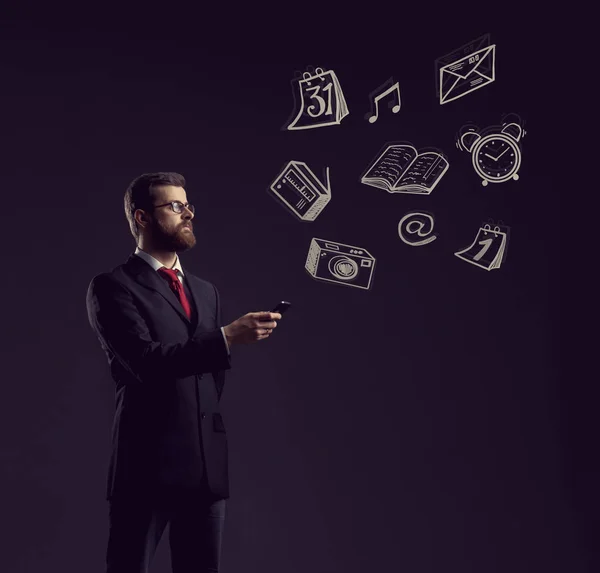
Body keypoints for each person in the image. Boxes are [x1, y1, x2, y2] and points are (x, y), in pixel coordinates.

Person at [85, 172, 282, 573]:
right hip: (146, 466)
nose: (188, 212)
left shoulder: (205, 291)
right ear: (142, 218)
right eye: (175, 206)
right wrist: (226, 337)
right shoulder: (113, 286)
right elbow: (145, 360)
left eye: (188, 205)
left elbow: (209, 377)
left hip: (205, 468)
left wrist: (222, 344)